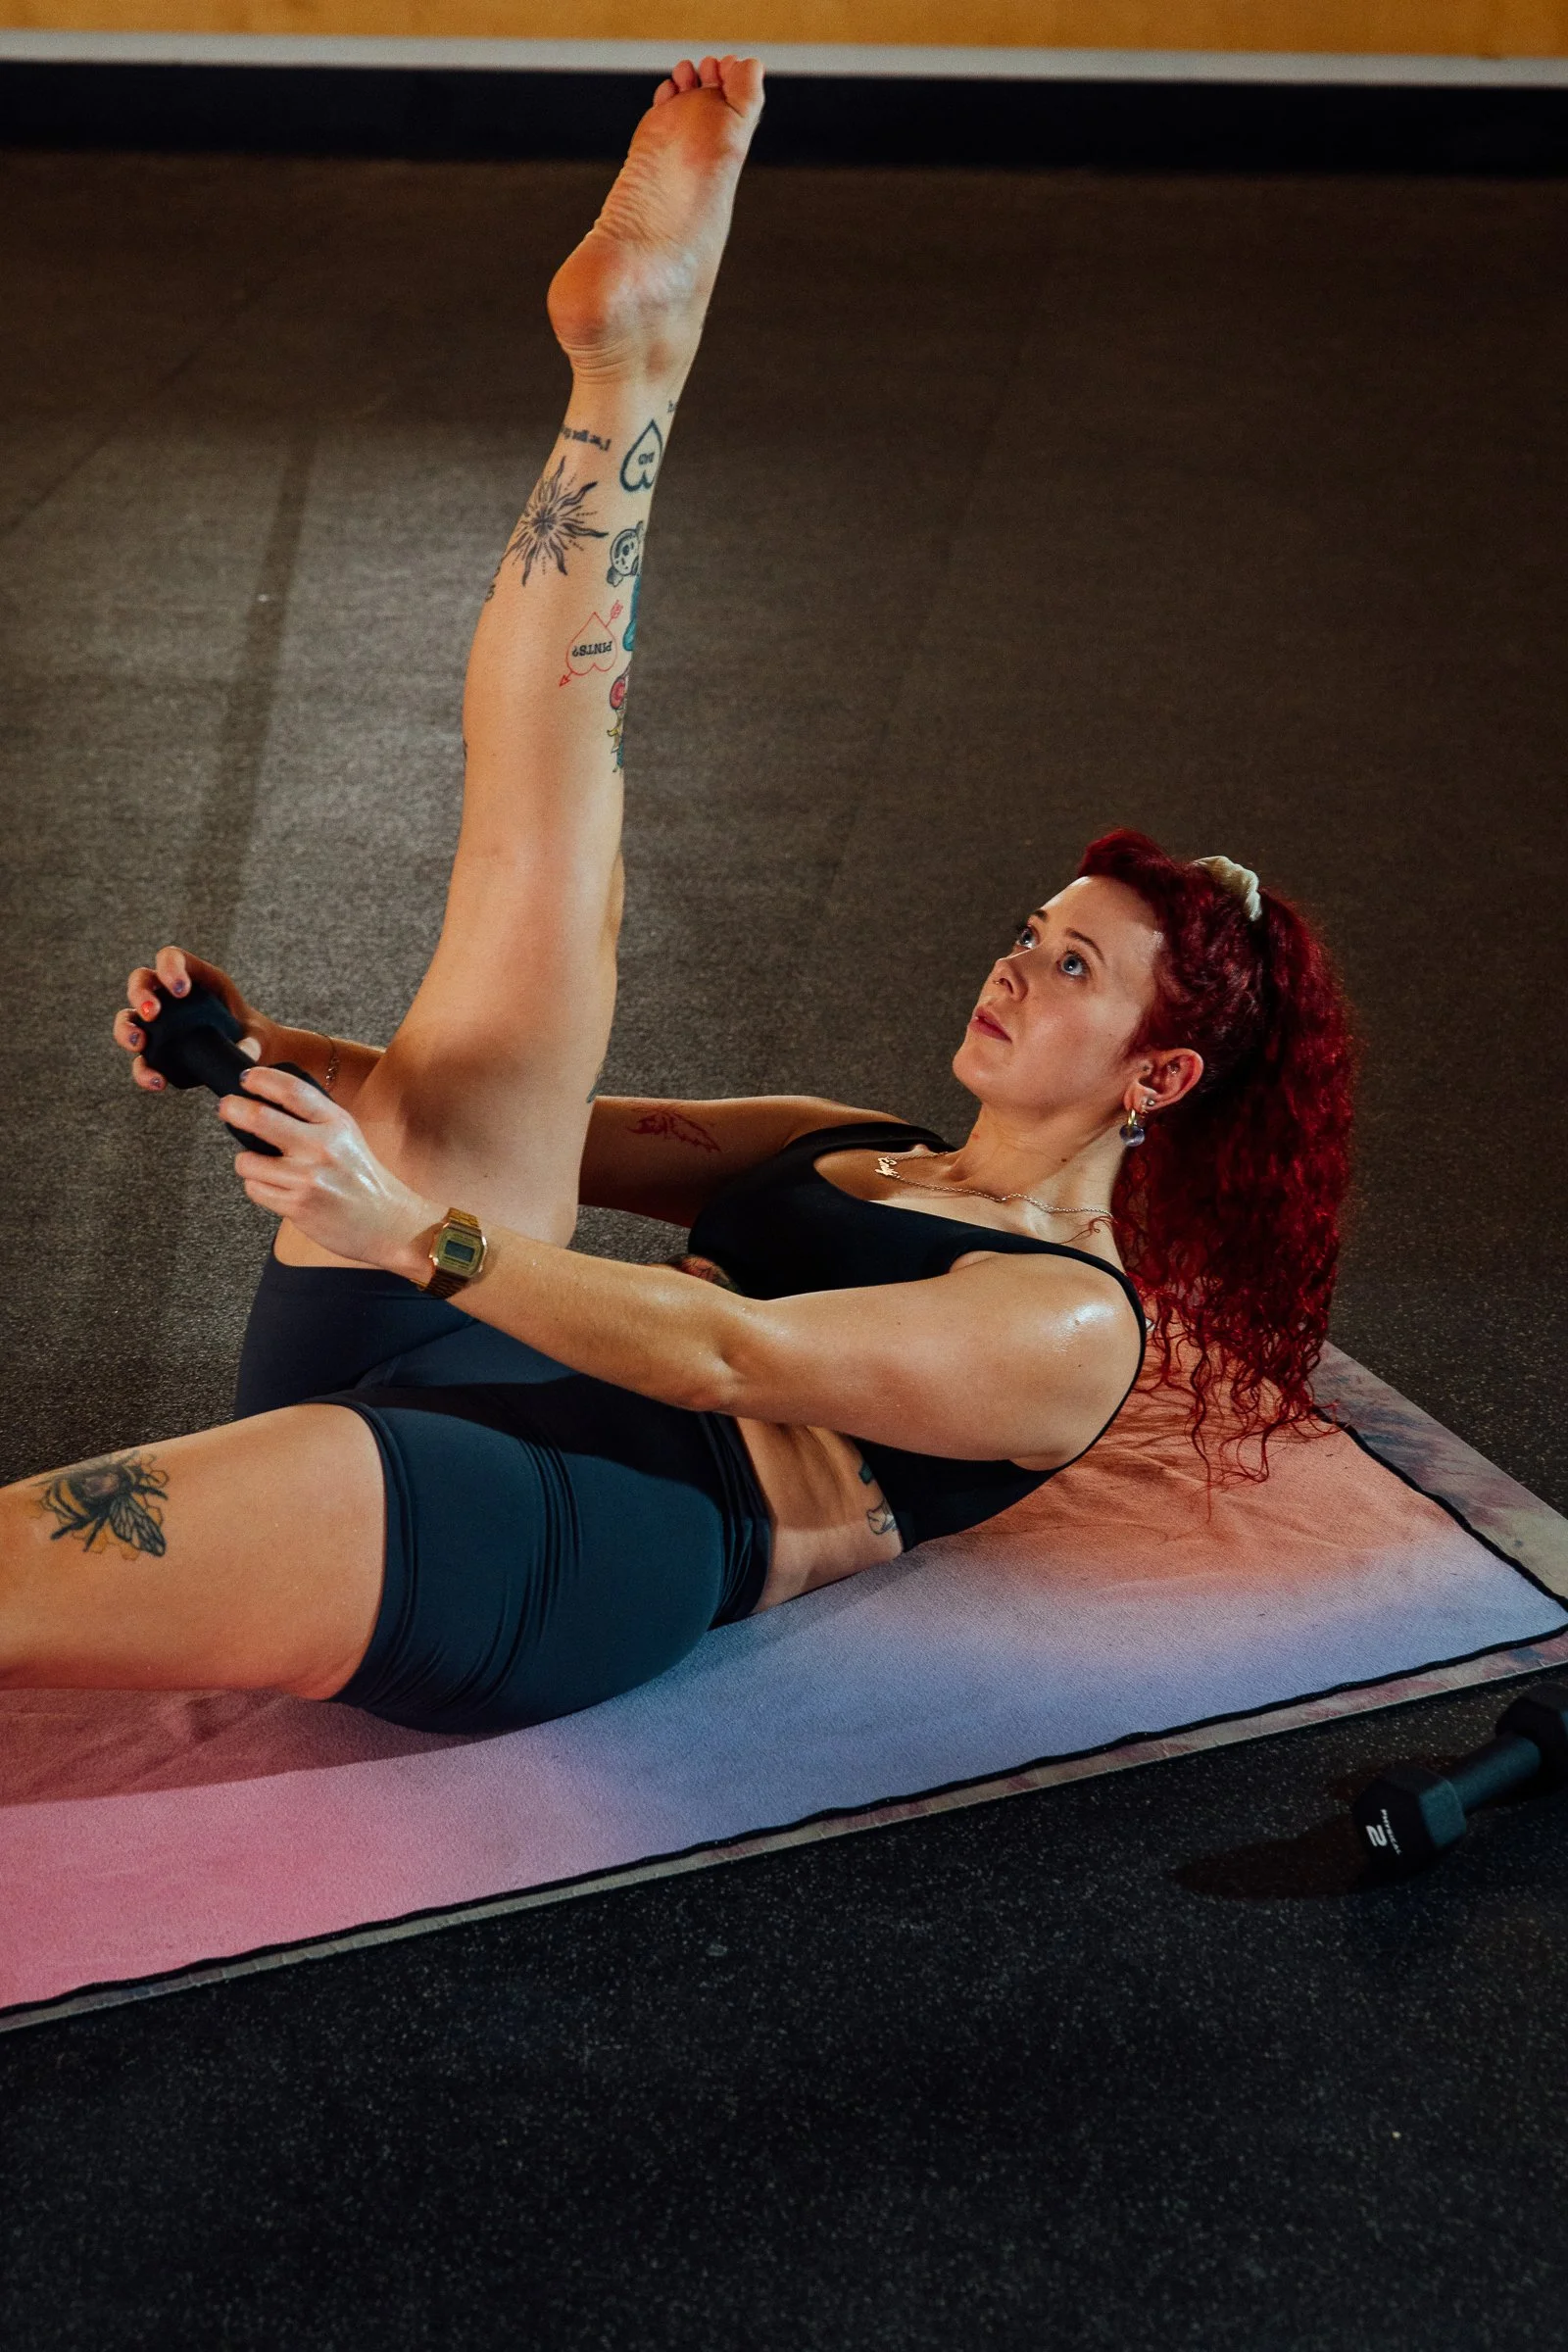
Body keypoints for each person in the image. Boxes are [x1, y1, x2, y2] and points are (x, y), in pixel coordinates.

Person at [2, 56, 1355, 1736]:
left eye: (1073, 966)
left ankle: (644, 362)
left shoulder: (1073, 1325)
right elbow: (519, 1115)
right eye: (1029, 931)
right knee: (540, 893)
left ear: (1161, 1077)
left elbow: (733, 1363)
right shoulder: (840, 1136)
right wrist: (281, 1049)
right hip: (466, 1355)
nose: (1013, 965)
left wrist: (404, 1228)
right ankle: (629, 374)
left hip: (598, 1530)